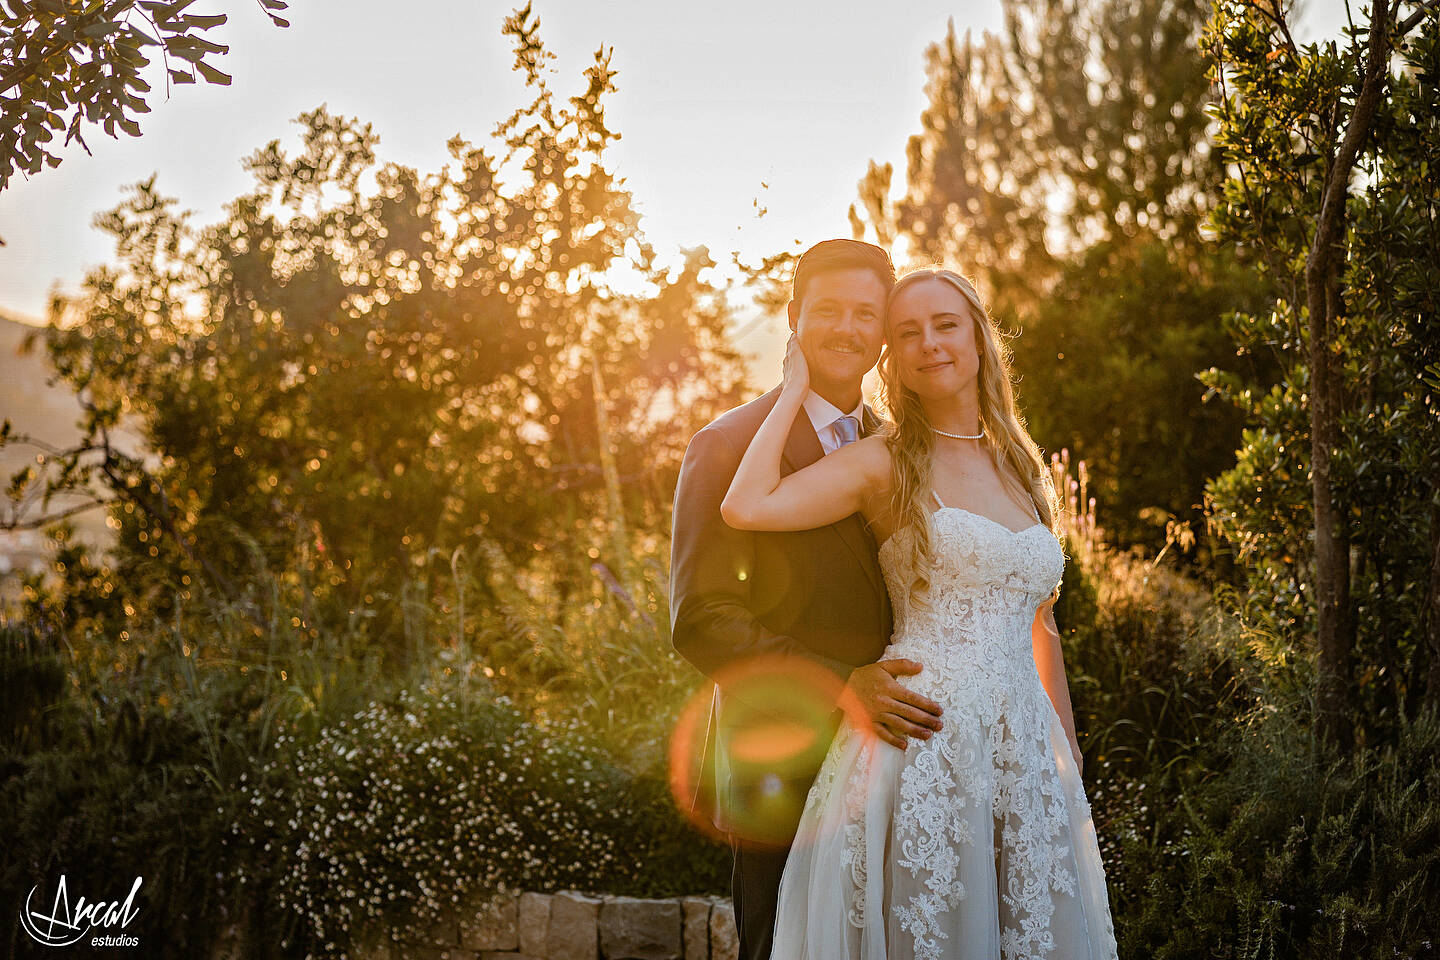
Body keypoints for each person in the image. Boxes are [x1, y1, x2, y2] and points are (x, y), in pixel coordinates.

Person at [722, 267, 1119, 959]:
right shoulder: (884, 461)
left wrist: (1066, 745)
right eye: (907, 332)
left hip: (1022, 751)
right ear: (893, 357)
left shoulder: (1022, 465)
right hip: (922, 741)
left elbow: (1041, 622)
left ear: (979, 338)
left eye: (945, 325)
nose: (930, 343)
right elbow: (746, 505)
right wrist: (791, 389)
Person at [670, 240, 947, 960]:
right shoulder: (727, 445)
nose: (846, 329)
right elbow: (702, 621)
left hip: (895, 761)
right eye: (828, 310)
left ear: (884, 332)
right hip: (781, 770)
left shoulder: (899, 448)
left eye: (865, 313)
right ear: (793, 316)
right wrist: (842, 685)